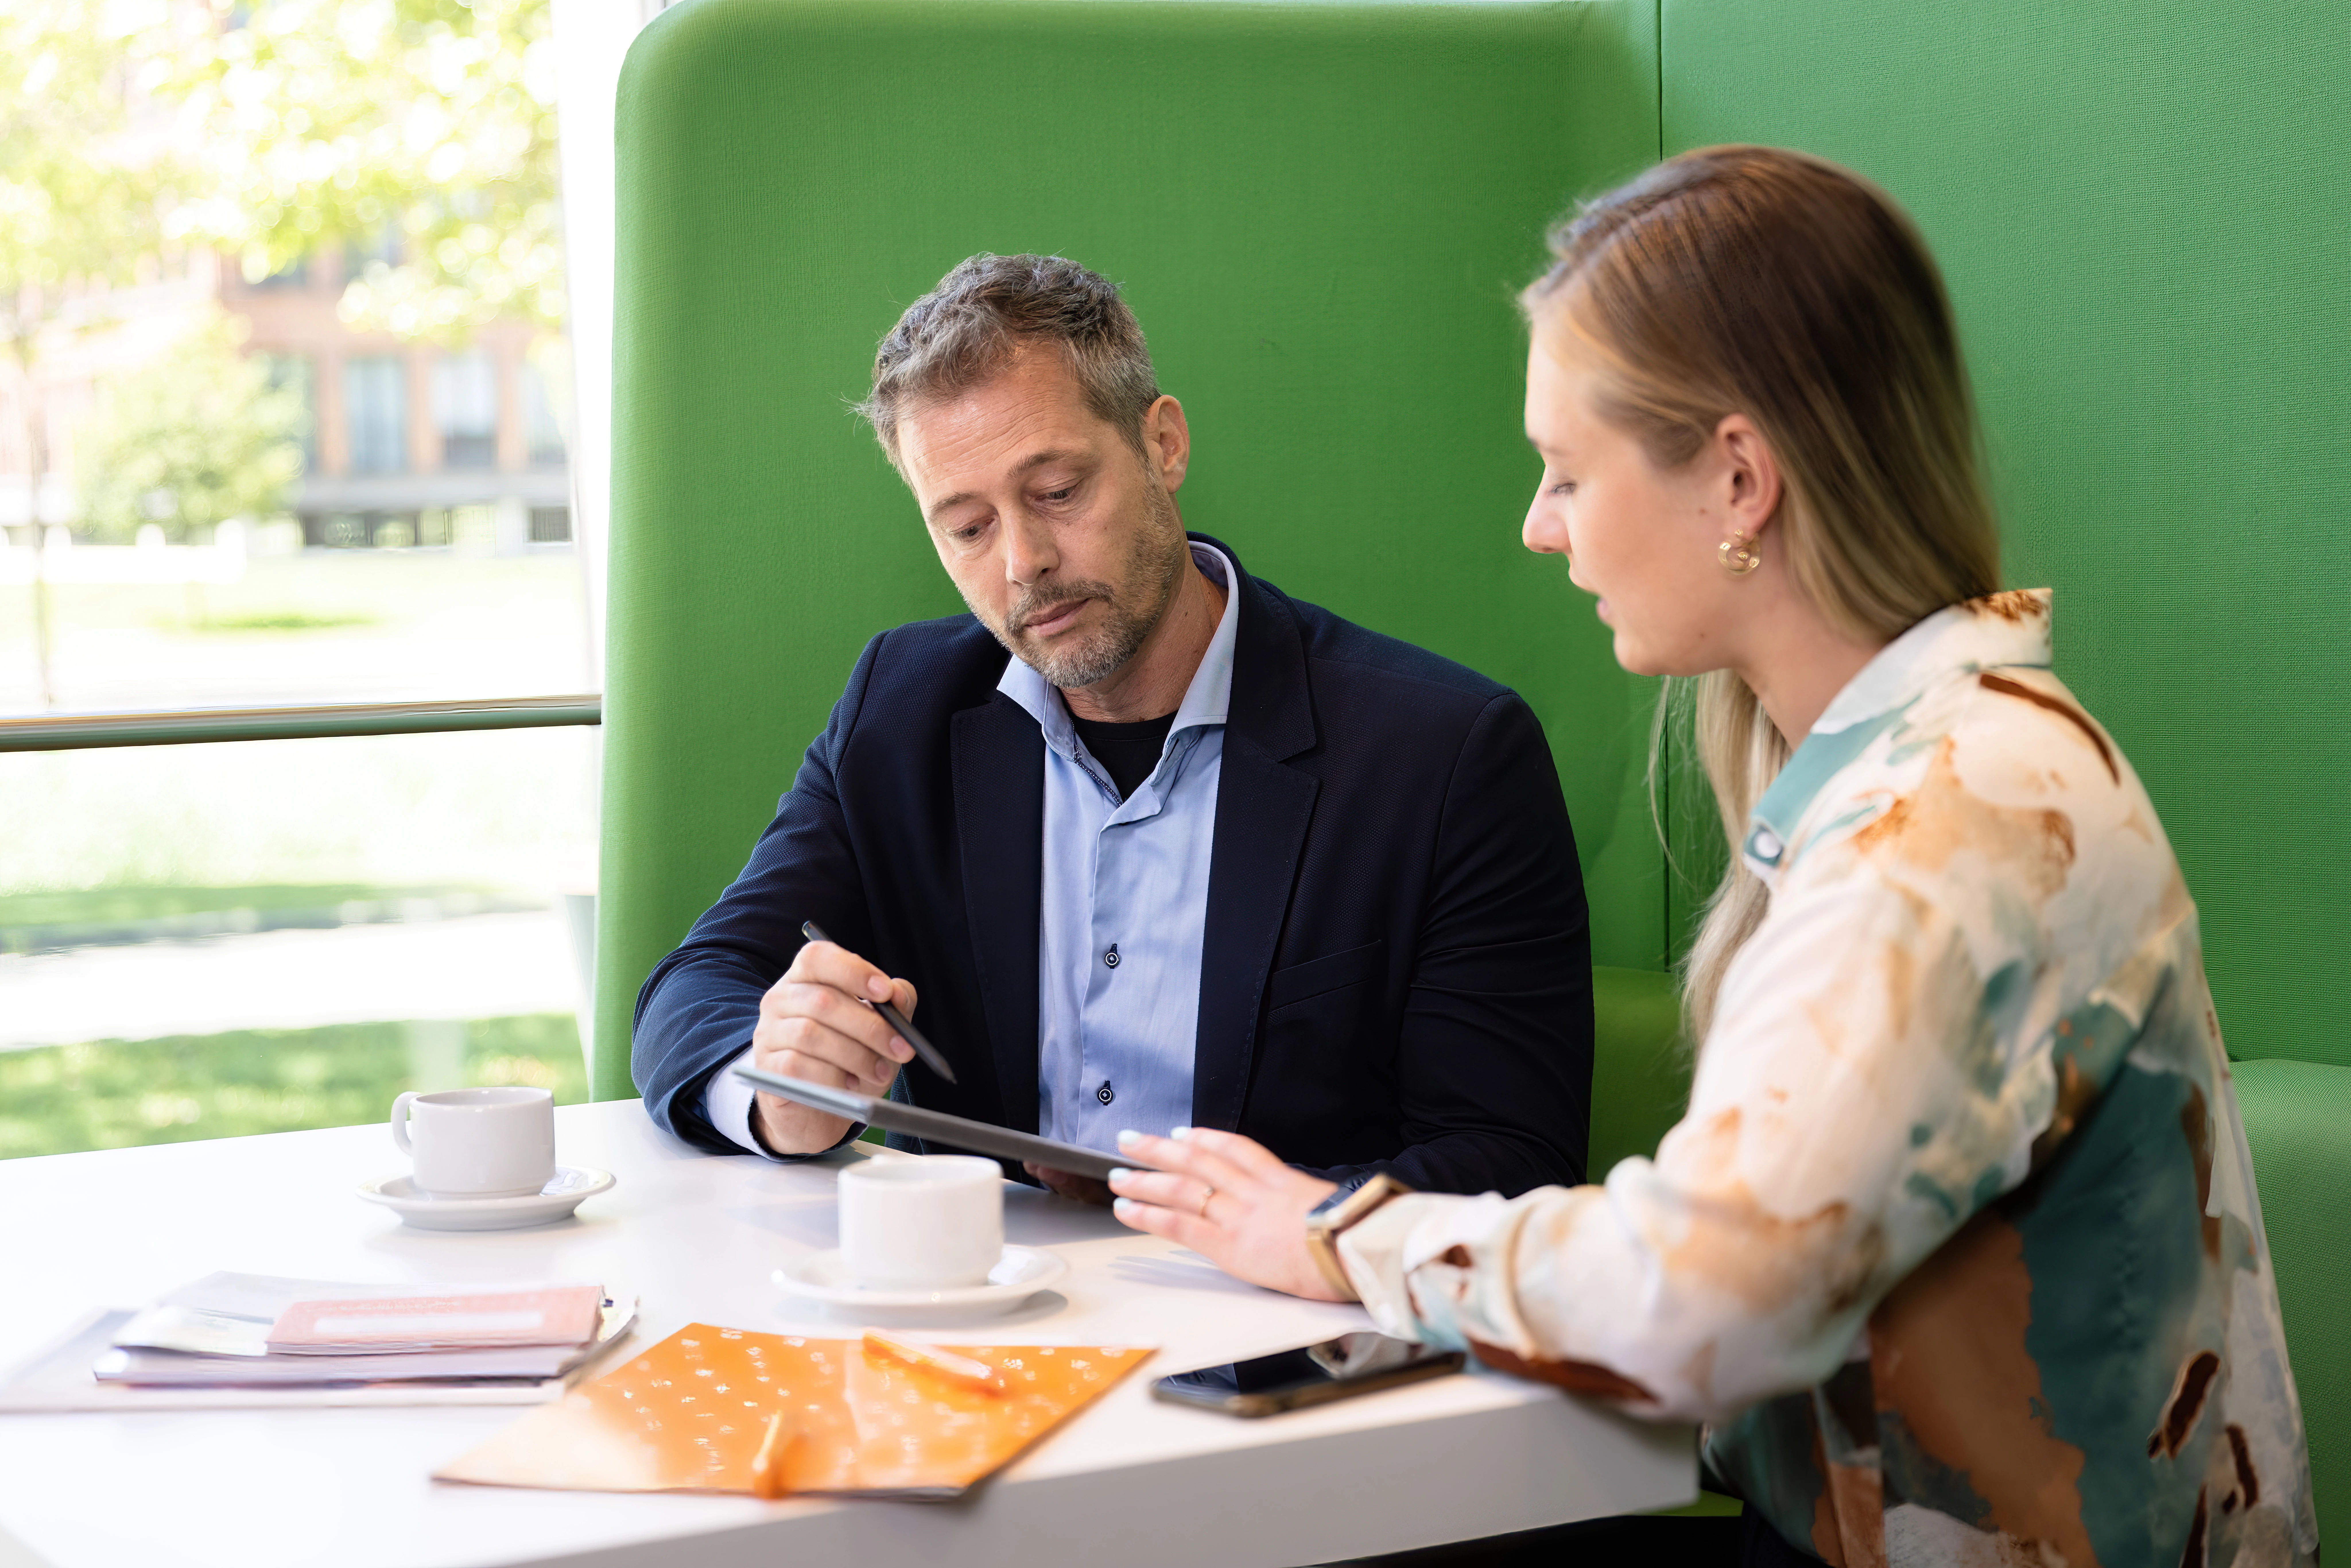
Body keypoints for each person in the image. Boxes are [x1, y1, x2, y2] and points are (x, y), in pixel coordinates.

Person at [1106, 149, 2317, 1567]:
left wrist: (1335, 1232)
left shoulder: (1948, 823)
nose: (1538, 524)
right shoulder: (1941, 756)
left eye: (1566, 471)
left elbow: (1698, 1306)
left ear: (1738, 478)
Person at [631, 253, 1593, 1201]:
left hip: (1267, 1331)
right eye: (967, 527)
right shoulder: (904, 704)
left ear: (1163, 445)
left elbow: (1508, 1160)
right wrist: (772, 1092)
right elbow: (698, 983)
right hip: (976, 1322)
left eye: (1057, 492)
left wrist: (1210, 1212)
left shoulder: (1445, 754)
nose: (1024, 562)